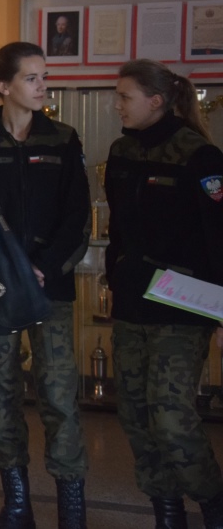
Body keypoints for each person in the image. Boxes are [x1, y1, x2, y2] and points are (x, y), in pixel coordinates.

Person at [0, 41, 91, 529]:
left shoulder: (63, 140)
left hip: (50, 288)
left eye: (44, 76)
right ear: (4, 86)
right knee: (3, 395)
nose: (42, 86)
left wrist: (45, 268)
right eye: (31, 78)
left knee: (59, 396)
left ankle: (71, 510)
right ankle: (17, 505)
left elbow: (78, 217)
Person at [105, 59, 223, 528]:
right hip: (132, 303)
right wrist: (115, 277)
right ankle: (167, 512)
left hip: (182, 306)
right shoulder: (121, 151)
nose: (117, 105)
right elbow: (118, 229)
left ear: (156, 101)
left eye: (125, 97)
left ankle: (214, 504)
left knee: (171, 417)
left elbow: (219, 238)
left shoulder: (199, 156)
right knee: (136, 415)